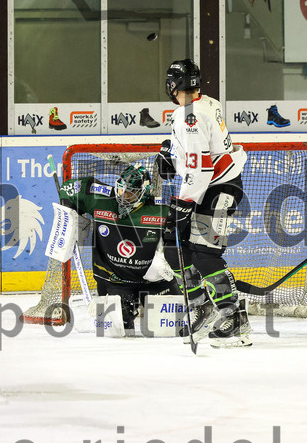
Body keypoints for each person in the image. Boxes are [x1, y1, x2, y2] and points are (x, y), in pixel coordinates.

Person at [157, 58, 251, 348]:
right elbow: (201, 149)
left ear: (174, 85)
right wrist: (171, 151)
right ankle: (202, 306)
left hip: (218, 188)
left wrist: (182, 206)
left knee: (204, 253)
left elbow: (200, 170)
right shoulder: (205, 103)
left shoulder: (190, 117)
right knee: (174, 247)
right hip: (206, 187)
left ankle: (233, 315)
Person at [56, 164, 179, 331]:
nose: (123, 197)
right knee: (117, 329)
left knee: (173, 327)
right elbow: (68, 188)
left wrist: (166, 257)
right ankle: (124, 306)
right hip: (116, 282)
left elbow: (185, 229)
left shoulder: (161, 209)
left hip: (154, 281)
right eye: (121, 190)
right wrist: (68, 210)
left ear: (144, 193)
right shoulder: (102, 200)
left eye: (130, 193)